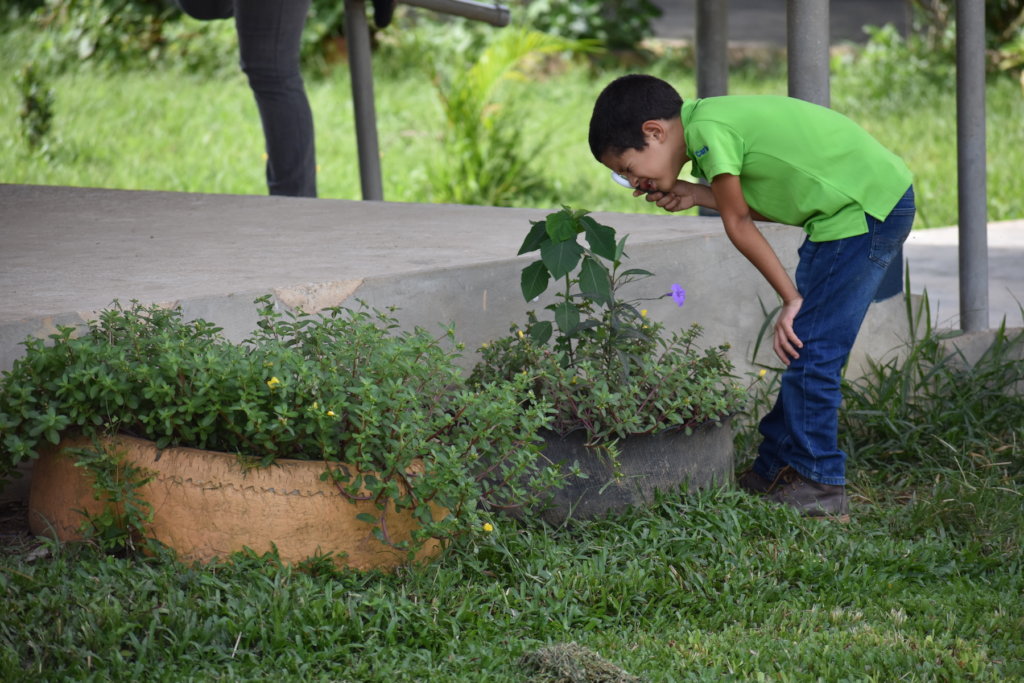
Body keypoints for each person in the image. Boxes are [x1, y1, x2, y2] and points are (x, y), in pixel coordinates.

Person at [588, 74, 915, 521]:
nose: (632, 181)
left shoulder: (706, 132)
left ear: (654, 132)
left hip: (863, 212)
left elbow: (739, 221)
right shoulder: (709, 123)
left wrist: (789, 298)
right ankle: (777, 468)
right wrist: (696, 194)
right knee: (807, 344)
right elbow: (780, 200)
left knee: (813, 348)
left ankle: (819, 483)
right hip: (849, 210)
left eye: (627, 168)